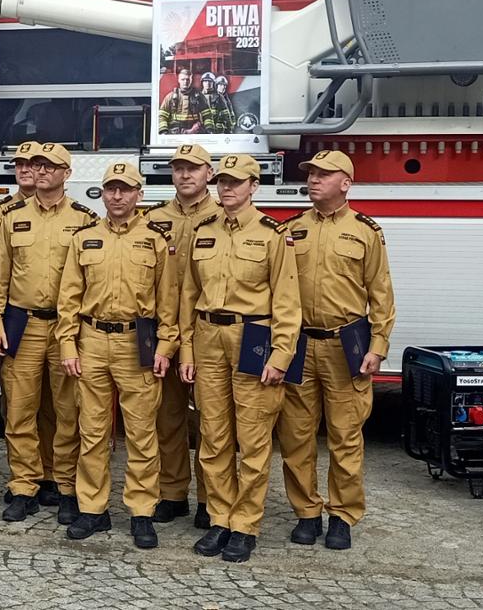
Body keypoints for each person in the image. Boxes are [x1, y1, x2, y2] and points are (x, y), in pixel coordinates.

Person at [180, 153, 301, 563]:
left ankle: (245, 524)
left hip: (253, 336)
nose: (227, 188)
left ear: (255, 186)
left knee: (252, 439)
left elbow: (288, 300)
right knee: (213, 438)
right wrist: (186, 348)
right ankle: (219, 517)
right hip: (208, 336)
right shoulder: (203, 231)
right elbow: (187, 295)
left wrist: (282, 354)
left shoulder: (272, 235)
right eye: (224, 181)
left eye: (238, 181)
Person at [276, 150, 394, 551]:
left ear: (345, 182)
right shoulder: (289, 230)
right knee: (295, 436)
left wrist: (377, 346)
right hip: (298, 345)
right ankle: (306, 512)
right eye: (310, 174)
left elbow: (381, 294)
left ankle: (342, 515)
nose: (313, 180)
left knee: (345, 436)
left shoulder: (365, 231)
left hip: (346, 346)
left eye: (324, 175)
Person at [55, 162, 172, 547]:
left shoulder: (154, 240)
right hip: (91, 342)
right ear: (102, 194)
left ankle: (141, 512)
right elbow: (69, 297)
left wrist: (167, 346)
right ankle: (93, 508)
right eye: (111, 189)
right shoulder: (84, 238)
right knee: (92, 432)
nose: (117, 196)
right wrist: (68, 344)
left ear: (139, 194)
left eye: (125, 190)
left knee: (141, 433)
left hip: (136, 344)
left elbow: (168, 302)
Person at [0, 142, 96, 525]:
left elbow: (89, 280)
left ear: (67, 173)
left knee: (67, 411)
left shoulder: (85, 220)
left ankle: (64, 485)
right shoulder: (10, 217)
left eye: (51, 166)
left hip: (67, 328)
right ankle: (24, 485)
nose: (42, 171)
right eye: (37, 165)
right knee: (19, 409)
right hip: (23, 322)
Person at [149, 143, 215, 528]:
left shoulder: (223, 217)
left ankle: (210, 497)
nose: (185, 175)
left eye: (193, 168)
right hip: (161, 330)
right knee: (167, 417)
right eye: (178, 168)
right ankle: (172, 493)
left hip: (205, 333)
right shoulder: (154, 218)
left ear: (209, 172)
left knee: (210, 419)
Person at [158, 71, 207, 135]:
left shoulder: (199, 96)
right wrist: (163, 131)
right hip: (175, 133)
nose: (185, 82)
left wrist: (209, 130)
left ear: (191, 80)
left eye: (188, 79)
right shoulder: (170, 97)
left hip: (195, 132)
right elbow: (162, 115)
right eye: (183, 79)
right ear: (179, 80)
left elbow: (207, 115)